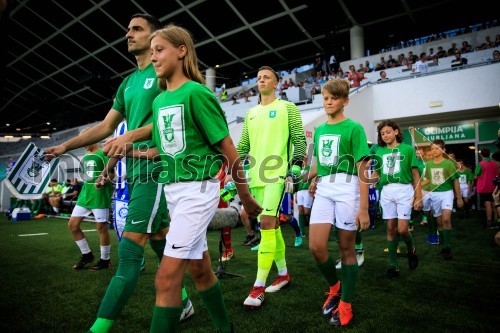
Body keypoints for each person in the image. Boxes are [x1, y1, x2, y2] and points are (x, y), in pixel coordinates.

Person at [103, 23, 262, 332]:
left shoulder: (197, 94)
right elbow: (160, 152)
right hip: (173, 194)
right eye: (151, 52)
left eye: (159, 50)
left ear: (181, 51)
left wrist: (244, 196)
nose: (154, 57)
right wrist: (126, 150)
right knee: (201, 271)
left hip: (196, 192)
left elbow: (229, 149)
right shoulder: (160, 101)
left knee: (165, 278)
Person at [44, 14, 194, 332]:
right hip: (136, 171)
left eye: (137, 29)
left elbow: (177, 114)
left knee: (128, 253)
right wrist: (64, 146)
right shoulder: (128, 82)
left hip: (158, 170)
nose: (128, 34)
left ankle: (98, 328)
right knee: (158, 239)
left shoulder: (166, 72)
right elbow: (105, 127)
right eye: (128, 29)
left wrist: (131, 138)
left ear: (156, 38)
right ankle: (184, 299)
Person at [236, 65, 307, 308]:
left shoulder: (288, 108)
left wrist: (295, 168)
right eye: (258, 78)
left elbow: (299, 140)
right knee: (272, 226)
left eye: (267, 77)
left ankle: (257, 288)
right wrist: (231, 167)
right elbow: (243, 145)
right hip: (255, 177)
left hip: (277, 176)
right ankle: (284, 274)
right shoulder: (251, 112)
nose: (262, 80)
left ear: (277, 83)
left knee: (266, 223)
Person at [304, 78, 370, 327]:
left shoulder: (354, 128)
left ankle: (346, 303)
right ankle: (335, 287)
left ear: (345, 101)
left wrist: (363, 208)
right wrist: (305, 177)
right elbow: (318, 164)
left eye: (333, 98)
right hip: (324, 188)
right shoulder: (320, 130)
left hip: (348, 188)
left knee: (346, 249)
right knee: (316, 247)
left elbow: (363, 168)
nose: (329, 102)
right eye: (325, 98)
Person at [370, 120, 422, 278]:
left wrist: (418, 196)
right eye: (382, 133)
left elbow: (415, 174)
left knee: (402, 229)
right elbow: (377, 174)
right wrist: (364, 182)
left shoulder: (407, 149)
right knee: (391, 228)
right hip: (386, 191)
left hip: (404, 190)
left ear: (396, 132)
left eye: (388, 132)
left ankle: (411, 249)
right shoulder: (379, 152)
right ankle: (393, 266)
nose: (385, 135)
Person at [69, 128, 114, 270]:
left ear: (93, 138)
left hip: (99, 196)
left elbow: (112, 174)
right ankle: (87, 255)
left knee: (101, 228)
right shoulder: (85, 156)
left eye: (86, 141)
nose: (83, 144)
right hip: (84, 196)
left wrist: (103, 182)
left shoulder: (103, 153)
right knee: (72, 225)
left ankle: (105, 260)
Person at [421, 139, 463, 260]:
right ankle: (444, 246)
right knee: (439, 222)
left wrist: (459, 198)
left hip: (447, 194)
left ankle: (448, 247)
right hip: (434, 194)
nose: (434, 151)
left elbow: (455, 181)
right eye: (432, 149)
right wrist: (418, 186)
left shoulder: (449, 164)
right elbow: (429, 179)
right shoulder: (428, 164)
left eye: (436, 148)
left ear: (443, 150)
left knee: (445, 219)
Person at [475, 148, 499, 228]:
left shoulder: (480, 164)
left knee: (487, 204)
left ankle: (489, 222)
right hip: (494, 186)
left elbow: (476, 175)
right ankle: (496, 221)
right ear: (489, 154)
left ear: (481, 154)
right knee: (495, 203)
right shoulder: (495, 163)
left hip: (484, 187)